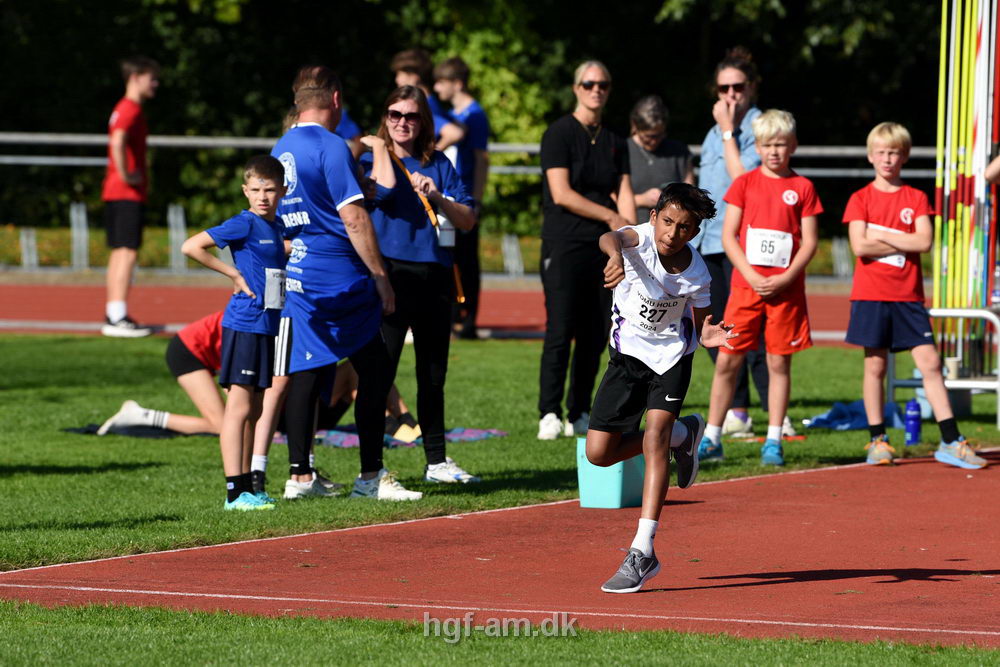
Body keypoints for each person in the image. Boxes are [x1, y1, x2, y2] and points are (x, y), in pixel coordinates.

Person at [269, 65, 420, 502]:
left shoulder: (282, 147)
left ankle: (300, 476)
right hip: (339, 275)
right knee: (373, 369)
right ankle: (371, 474)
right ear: (335, 99)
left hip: (300, 274)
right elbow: (353, 219)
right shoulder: (331, 146)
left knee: (307, 370)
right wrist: (380, 278)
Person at [587, 183, 736, 593]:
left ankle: (642, 550)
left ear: (694, 232)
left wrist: (711, 335)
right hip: (626, 359)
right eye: (667, 221)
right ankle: (685, 434)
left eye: (684, 227)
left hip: (670, 360)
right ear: (654, 218)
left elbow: (704, 325)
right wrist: (615, 254)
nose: (673, 233)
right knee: (599, 454)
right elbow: (610, 235)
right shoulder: (637, 240)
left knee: (655, 437)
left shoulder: (698, 272)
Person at [845, 122, 987, 470]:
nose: (887, 158)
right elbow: (859, 245)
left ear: (904, 156)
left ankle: (951, 439)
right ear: (870, 155)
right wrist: (898, 236)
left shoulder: (915, 198)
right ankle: (878, 439)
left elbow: (923, 241)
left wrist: (881, 232)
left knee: (931, 364)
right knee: (875, 366)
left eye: (894, 152)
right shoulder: (860, 197)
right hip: (871, 294)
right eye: (881, 152)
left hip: (908, 296)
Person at [360, 85, 481, 484]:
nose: (402, 123)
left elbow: (467, 219)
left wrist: (440, 198)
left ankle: (436, 462)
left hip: (435, 276)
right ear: (385, 117)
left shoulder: (440, 163)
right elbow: (372, 197)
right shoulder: (370, 159)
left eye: (410, 116)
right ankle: (372, 470)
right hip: (391, 276)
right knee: (379, 375)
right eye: (394, 114)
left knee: (432, 375)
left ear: (423, 120)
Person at [698, 109, 822, 466]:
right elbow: (728, 235)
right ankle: (713, 436)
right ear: (759, 146)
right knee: (727, 361)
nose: (774, 151)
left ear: (793, 146)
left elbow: (810, 242)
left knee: (777, 363)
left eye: (781, 145)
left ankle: (773, 439)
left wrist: (786, 277)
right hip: (746, 288)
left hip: (786, 291)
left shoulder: (803, 188)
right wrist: (751, 275)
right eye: (767, 145)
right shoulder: (745, 184)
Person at [180, 155, 288, 511]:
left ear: (282, 191)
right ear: (245, 191)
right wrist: (232, 274)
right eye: (256, 189)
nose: (263, 196)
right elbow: (191, 246)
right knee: (238, 408)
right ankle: (233, 492)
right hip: (244, 323)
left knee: (254, 409)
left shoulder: (276, 226)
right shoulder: (244, 223)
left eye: (270, 190)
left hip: (266, 325)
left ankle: (247, 489)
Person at [537, 60, 636, 440]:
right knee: (561, 329)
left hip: (605, 247)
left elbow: (624, 187)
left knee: (597, 332)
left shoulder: (615, 140)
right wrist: (611, 215)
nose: (597, 90)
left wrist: (627, 227)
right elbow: (561, 193)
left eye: (604, 84)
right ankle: (549, 411)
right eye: (589, 83)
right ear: (576, 88)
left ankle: (579, 410)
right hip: (564, 243)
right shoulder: (559, 133)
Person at [693, 47, 775, 439]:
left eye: (738, 87)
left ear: (752, 88)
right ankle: (737, 409)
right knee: (715, 327)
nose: (730, 95)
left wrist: (728, 132)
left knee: (753, 330)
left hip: (744, 243)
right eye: (723, 88)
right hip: (709, 241)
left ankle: (775, 412)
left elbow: (744, 181)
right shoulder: (713, 132)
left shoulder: (761, 130)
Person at [101, 56, 159, 338]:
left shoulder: (123, 108)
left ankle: (114, 312)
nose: (155, 83)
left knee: (120, 252)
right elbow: (117, 140)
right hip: (125, 191)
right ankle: (117, 317)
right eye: (152, 78)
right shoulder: (130, 108)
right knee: (127, 252)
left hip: (116, 190)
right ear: (136, 77)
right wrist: (126, 174)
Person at [434, 56, 490, 340]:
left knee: (467, 260)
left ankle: (467, 321)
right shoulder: (452, 115)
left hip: (464, 198)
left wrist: (476, 199)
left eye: (441, 82)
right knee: (449, 254)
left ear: (456, 83)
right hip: (447, 195)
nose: (436, 87)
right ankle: (452, 315)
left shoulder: (475, 115)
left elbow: (481, 159)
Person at [627, 95, 694, 223]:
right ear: (635, 126)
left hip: (671, 234)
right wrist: (641, 199)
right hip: (632, 230)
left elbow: (690, 194)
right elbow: (610, 199)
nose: (654, 141)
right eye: (649, 136)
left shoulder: (679, 152)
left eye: (660, 135)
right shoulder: (623, 151)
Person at [389, 48, 464, 150]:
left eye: (400, 74)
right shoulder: (432, 101)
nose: (397, 79)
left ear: (414, 76)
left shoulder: (422, 106)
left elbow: (454, 133)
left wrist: (429, 156)